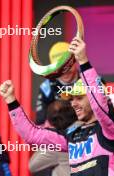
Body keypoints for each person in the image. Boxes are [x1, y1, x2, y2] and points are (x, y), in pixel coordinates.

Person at [0, 37, 114, 176]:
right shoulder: (70, 135)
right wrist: (11, 101)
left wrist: (83, 60)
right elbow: (32, 134)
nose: (73, 103)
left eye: (79, 98)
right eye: (71, 99)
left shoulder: (110, 131)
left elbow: (100, 106)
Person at [30, 42, 79, 176]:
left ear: (75, 61)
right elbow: (40, 121)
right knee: (34, 166)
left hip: (85, 137)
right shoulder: (47, 87)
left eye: (67, 66)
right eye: (59, 68)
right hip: (57, 138)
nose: (64, 71)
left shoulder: (88, 80)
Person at [29, 100, 78, 176]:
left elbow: (32, 166)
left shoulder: (57, 143)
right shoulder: (87, 126)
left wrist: (48, 138)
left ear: (51, 122)